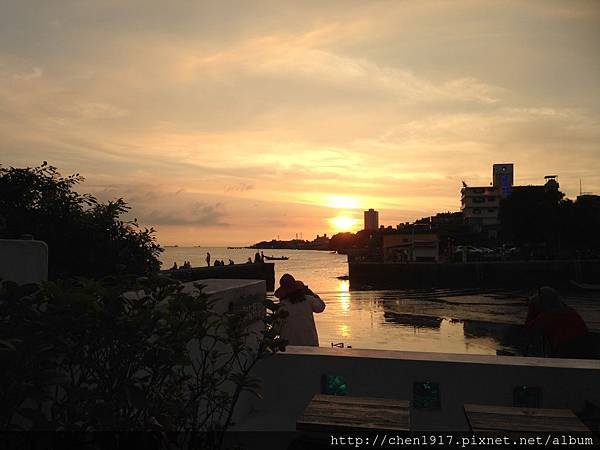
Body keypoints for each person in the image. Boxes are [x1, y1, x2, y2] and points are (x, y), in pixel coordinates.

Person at [525, 286, 597, 358]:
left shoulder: (546, 317)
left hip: (567, 352)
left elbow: (529, 329)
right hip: (588, 348)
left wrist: (531, 307)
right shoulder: (571, 311)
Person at [274, 273, 326, 347]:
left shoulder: (282, 306)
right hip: (310, 343)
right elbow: (321, 307)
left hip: (289, 346)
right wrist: (312, 294)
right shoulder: (309, 299)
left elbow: (276, 329)